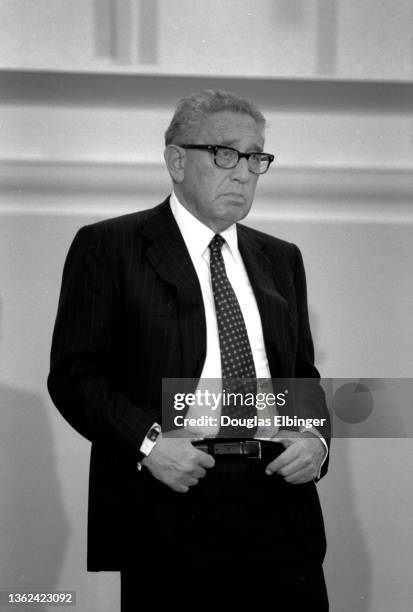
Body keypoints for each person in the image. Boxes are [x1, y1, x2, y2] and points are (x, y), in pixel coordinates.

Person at [48, 89, 330, 610]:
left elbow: (301, 379)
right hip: (174, 493)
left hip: (279, 503)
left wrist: (315, 440)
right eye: (226, 154)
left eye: (255, 157)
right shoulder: (111, 246)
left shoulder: (280, 258)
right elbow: (75, 375)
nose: (244, 172)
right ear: (177, 160)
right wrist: (150, 444)